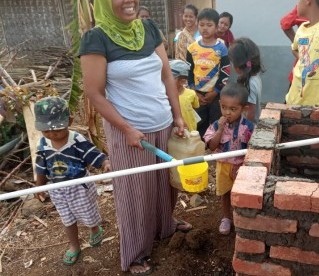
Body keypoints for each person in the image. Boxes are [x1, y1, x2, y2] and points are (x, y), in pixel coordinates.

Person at [79, 0, 191, 274]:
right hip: (130, 132)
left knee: (166, 184)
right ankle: (135, 253)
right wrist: (126, 129)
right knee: (135, 193)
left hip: (163, 123)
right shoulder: (96, 39)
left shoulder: (149, 28)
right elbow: (94, 93)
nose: (129, 2)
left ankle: (165, 226)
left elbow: (167, 76)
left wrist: (177, 116)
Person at [33, 96, 110, 265]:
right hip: (58, 188)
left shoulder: (76, 140)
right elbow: (40, 167)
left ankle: (94, 228)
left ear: (70, 121)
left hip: (79, 186)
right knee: (67, 219)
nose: (52, 134)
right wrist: (39, 187)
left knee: (88, 213)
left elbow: (93, 153)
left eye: (57, 130)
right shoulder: (43, 144)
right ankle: (74, 246)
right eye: (46, 131)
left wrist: (104, 162)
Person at [203, 83, 254, 235]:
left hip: (241, 167)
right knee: (225, 193)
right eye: (224, 107)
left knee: (241, 193)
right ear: (219, 104)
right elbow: (212, 146)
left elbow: (254, 148)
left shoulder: (249, 127)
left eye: (233, 109)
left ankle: (241, 218)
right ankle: (226, 218)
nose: (227, 113)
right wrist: (220, 129)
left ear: (243, 108)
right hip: (223, 166)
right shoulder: (215, 125)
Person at [186, 8, 230, 137]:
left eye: (209, 25)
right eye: (202, 25)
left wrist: (216, 91)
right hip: (197, 95)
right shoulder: (192, 48)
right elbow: (188, 71)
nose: (205, 28)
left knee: (216, 123)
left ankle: (215, 150)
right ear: (197, 24)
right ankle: (201, 150)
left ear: (216, 27)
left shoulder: (221, 48)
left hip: (215, 95)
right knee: (199, 124)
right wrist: (194, 91)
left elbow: (225, 72)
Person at [229, 37, 264, 123]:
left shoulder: (249, 83)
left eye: (232, 62)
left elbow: (250, 111)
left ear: (238, 65)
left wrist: (243, 128)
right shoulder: (254, 77)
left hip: (248, 128)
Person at [169, 59, 200, 131]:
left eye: (171, 78)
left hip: (190, 129)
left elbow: (195, 108)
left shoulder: (191, 93)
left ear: (182, 81)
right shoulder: (166, 95)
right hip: (174, 131)